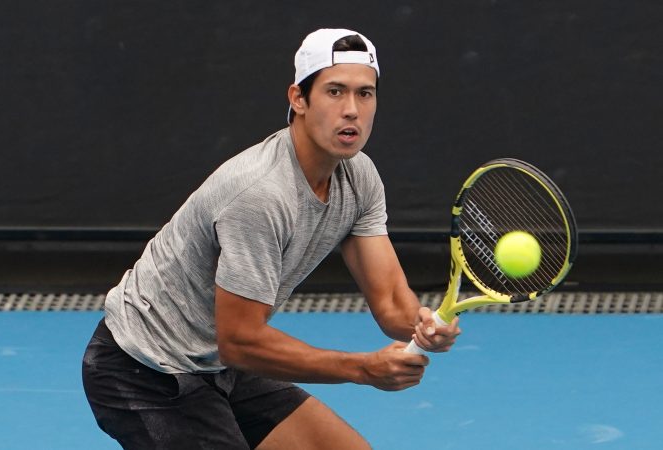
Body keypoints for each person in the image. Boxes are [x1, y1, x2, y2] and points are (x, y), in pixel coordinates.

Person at [82, 28, 461, 450]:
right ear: (298, 98)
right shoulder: (260, 195)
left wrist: (422, 326)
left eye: (365, 94)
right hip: (143, 368)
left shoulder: (360, 178)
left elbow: (391, 301)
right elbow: (241, 341)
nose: (352, 110)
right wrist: (362, 368)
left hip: (216, 361)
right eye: (335, 92)